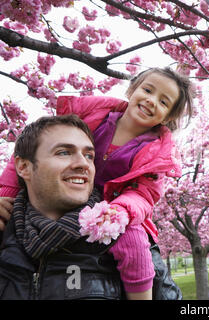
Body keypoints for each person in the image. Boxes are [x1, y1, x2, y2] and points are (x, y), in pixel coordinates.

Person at [0, 66, 194, 300]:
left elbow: (144, 195)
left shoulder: (156, 152)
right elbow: (30, 149)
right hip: (73, 200)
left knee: (134, 241)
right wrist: (6, 193)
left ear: (169, 117)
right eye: (148, 90)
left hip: (116, 212)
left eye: (163, 102)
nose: (152, 101)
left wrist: (120, 211)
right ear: (132, 90)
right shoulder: (94, 117)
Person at [0, 114, 124, 299]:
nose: (83, 163)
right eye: (64, 152)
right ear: (24, 167)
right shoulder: (4, 236)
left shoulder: (121, 239)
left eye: (89, 155)